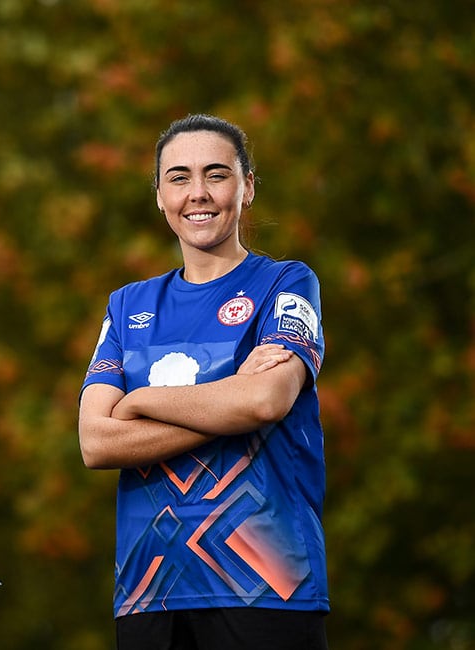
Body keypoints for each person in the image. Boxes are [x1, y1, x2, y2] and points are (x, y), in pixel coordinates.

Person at [78, 114, 329, 650]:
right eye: (179, 177)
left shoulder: (286, 283)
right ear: (159, 195)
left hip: (269, 585)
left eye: (217, 174)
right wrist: (225, 398)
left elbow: (264, 400)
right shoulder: (127, 307)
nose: (199, 194)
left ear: (247, 187)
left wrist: (142, 400)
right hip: (149, 590)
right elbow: (96, 441)